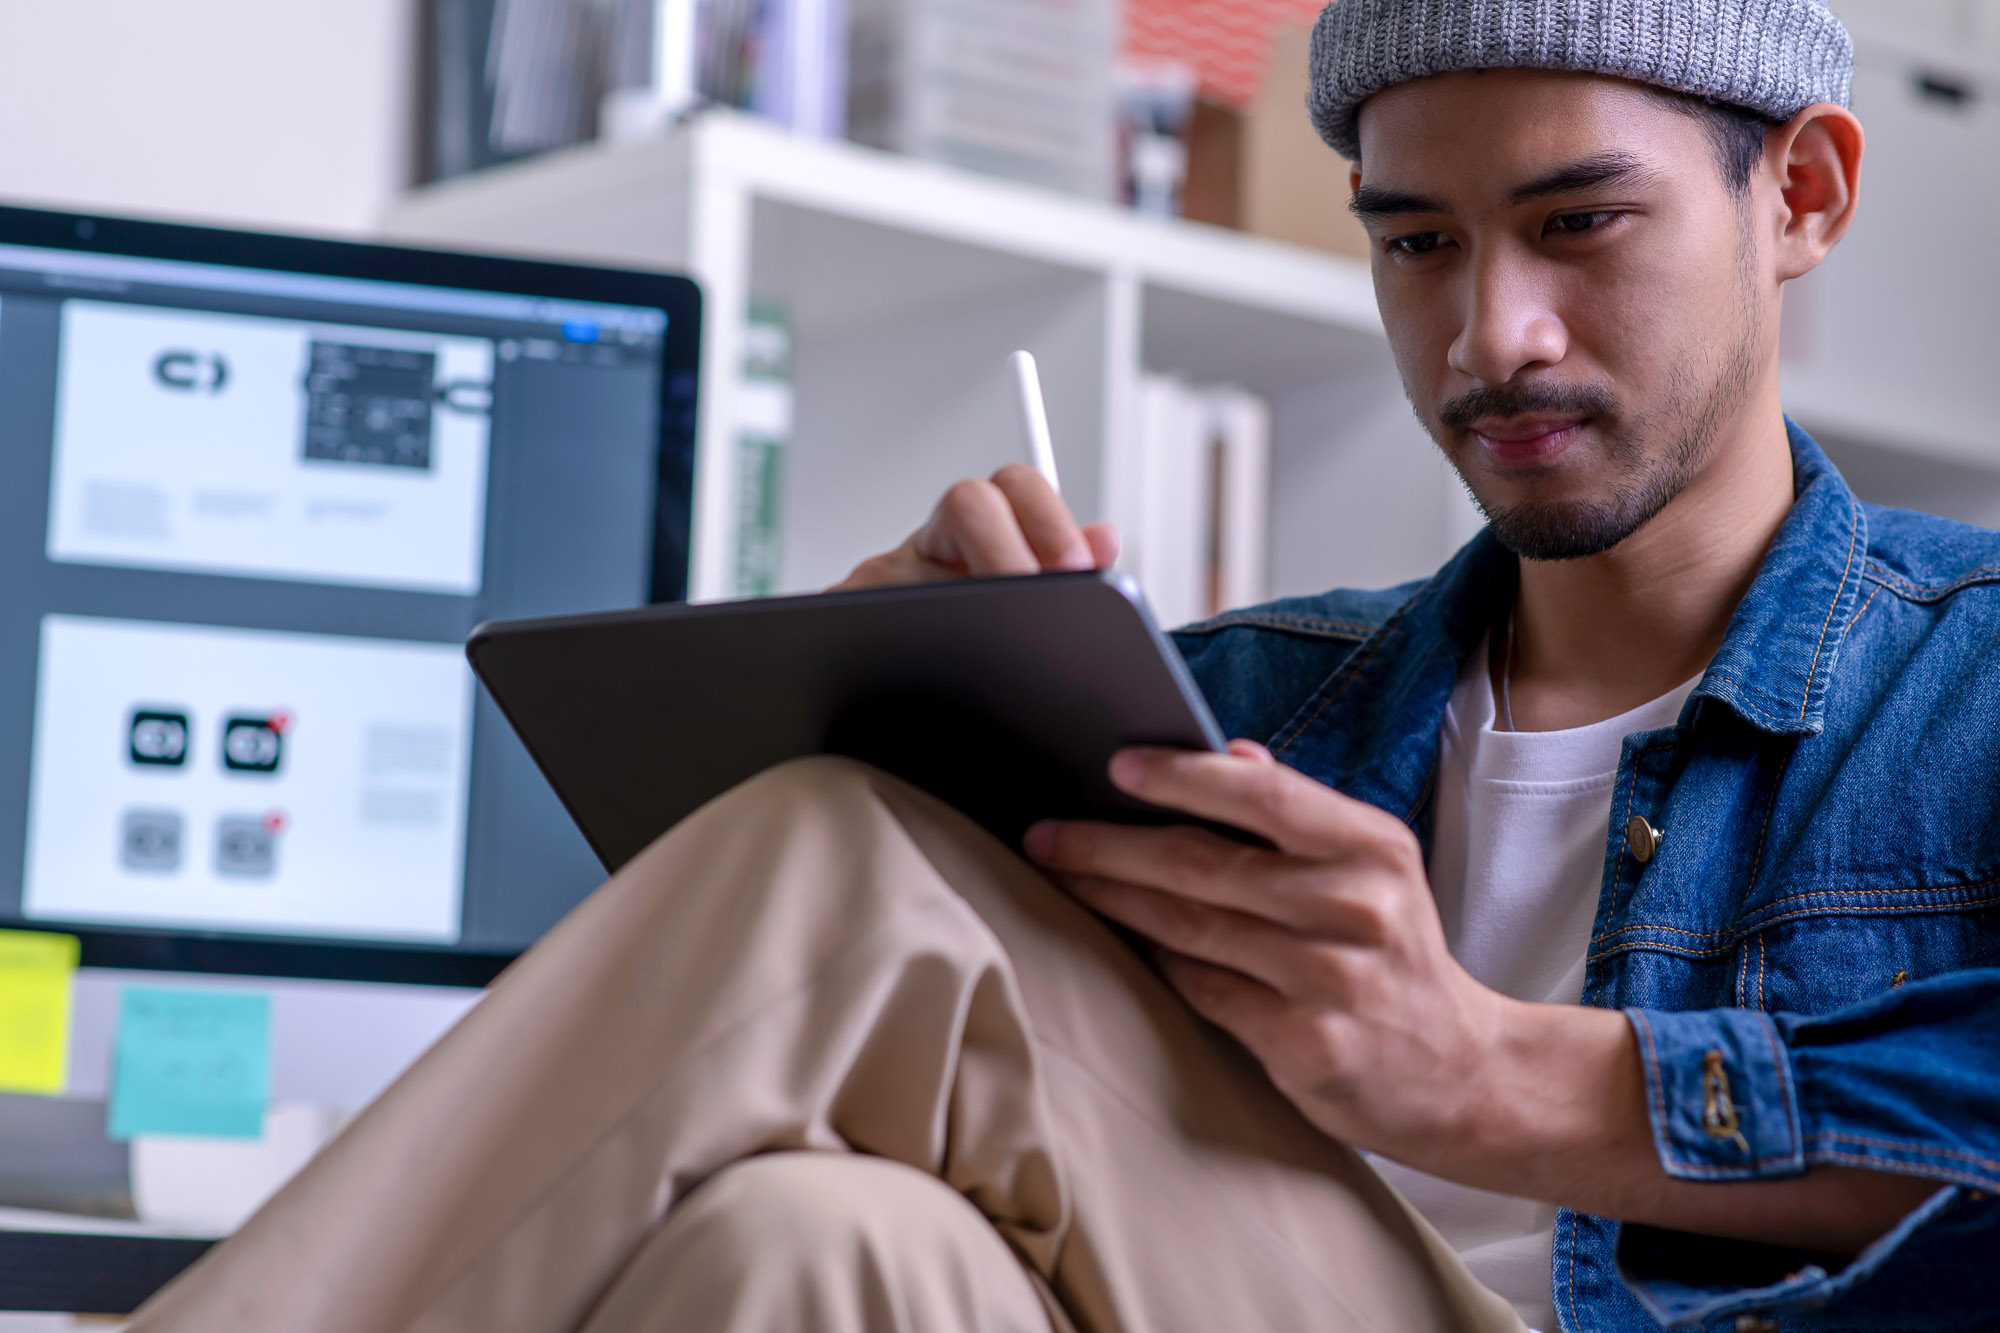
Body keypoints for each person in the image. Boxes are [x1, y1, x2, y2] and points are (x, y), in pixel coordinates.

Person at [129, 1, 2000, 1331]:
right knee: (803, 1244)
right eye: (1417, 242)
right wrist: (872, 681)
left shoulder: (1975, 673)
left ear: (1804, 197)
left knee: (851, 871)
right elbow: (706, 1013)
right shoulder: (1266, 702)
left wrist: (1492, 1076)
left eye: (1579, 223)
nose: (1488, 335)